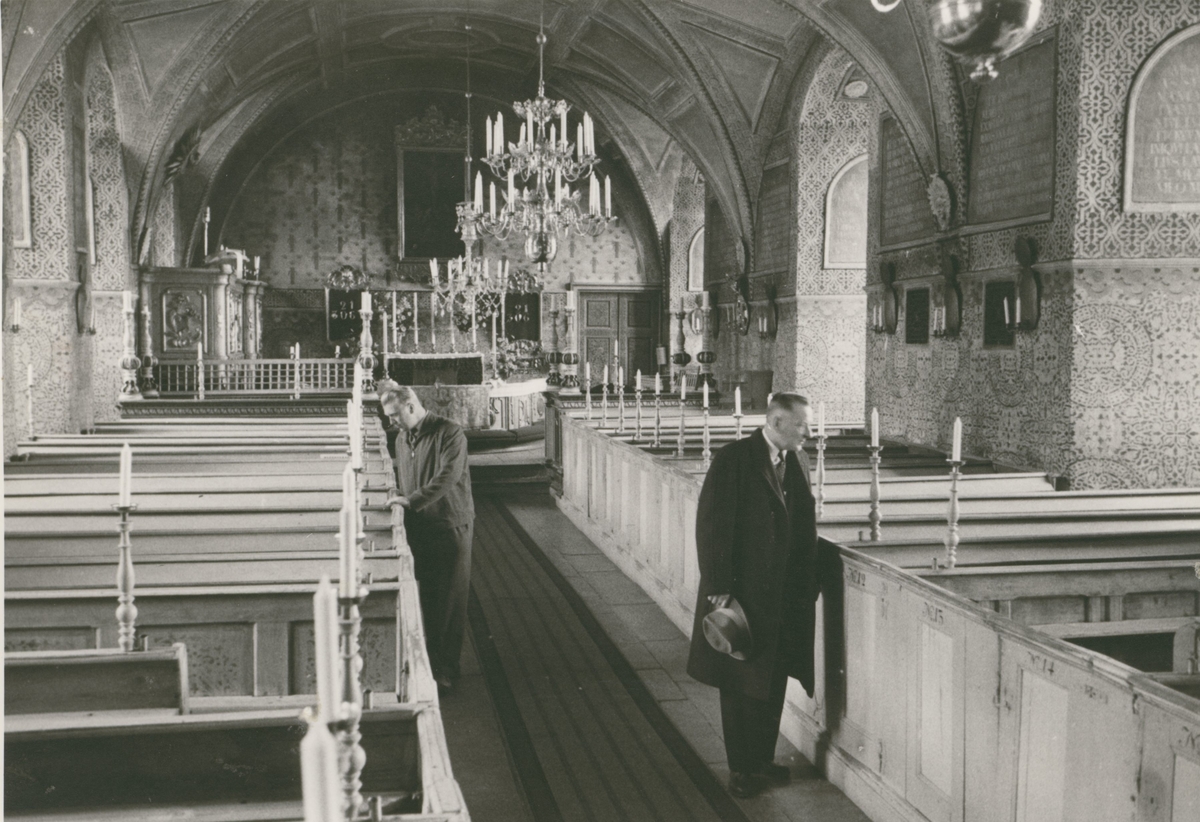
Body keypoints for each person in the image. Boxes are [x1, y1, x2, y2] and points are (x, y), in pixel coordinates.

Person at [686, 391, 820, 798]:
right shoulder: (736, 459)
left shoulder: (796, 460)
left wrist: (808, 580)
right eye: (802, 425)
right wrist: (718, 584)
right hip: (741, 593)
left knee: (772, 678)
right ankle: (741, 769)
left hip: (782, 595)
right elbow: (712, 523)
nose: (809, 433)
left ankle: (762, 759)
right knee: (739, 681)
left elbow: (802, 523)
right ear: (777, 422)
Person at [380, 384, 474, 693]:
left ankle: (446, 670)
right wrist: (399, 495)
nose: (391, 422)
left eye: (394, 415)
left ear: (410, 406)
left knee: (449, 602)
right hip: (419, 524)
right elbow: (406, 478)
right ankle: (426, 666)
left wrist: (412, 500)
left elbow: (448, 476)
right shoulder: (401, 437)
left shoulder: (450, 432)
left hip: (449, 524)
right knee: (426, 598)